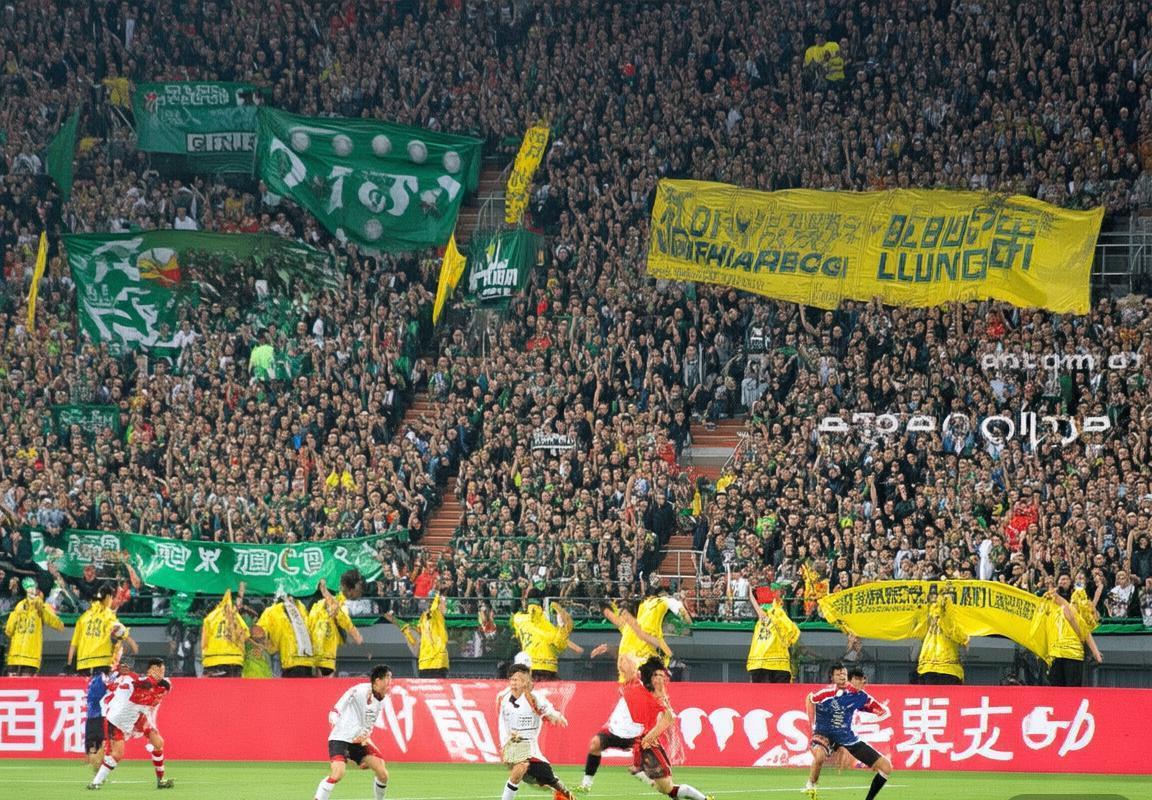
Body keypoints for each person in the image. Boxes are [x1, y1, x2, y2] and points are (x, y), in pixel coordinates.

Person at [621, 656, 713, 800]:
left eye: (662, 675)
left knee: (667, 788)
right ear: (650, 677)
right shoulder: (645, 692)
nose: (659, 678)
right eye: (656, 675)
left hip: (649, 744)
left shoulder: (659, 698)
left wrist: (649, 737)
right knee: (665, 788)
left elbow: (668, 718)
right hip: (645, 743)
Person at [805, 665, 893, 800]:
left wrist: (866, 715)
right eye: (838, 674)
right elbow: (810, 699)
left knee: (886, 768)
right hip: (824, 734)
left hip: (847, 738)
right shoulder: (827, 693)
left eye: (844, 674)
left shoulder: (862, 697)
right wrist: (811, 725)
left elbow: (884, 712)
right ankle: (811, 783)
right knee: (820, 757)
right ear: (832, 677)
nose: (842, 677)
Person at [88, 657, 175, 790]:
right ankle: (95, 782)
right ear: (151, 670)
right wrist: (127, 673)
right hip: (118, 720)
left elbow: (159, 697)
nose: (161, 673)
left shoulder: (164, 685)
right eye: (158, 670)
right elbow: (143, 683)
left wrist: (152, 725)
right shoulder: (134, 681)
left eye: (163, 670)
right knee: (117, 754)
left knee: (158, 743)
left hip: (139, 718)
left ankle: (161, 780)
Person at [314, 665, 393, 800]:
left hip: (358, 741)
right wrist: (335, 717)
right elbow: (338, 707)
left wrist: (365, 738)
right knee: (338, 774)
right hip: (341, 738)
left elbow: (369, 722)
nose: (390, 682)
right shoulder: (359, 690)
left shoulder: (382, 700)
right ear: (377, 681)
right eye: (388, 678)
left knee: (383, 773)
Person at [497, 663, 575, 800]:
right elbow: (501, 723)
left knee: (548, 779)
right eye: (512, 679)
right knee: (520, 768)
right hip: (513, 744)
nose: (513, 683)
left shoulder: (533, 697)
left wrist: (556, 716)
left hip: (530, 746)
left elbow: (547, 710)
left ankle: (567, 795)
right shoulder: (503, 698)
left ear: (525, 682)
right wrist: (505, 743)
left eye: (517, 680)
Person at [68, 586, 137, 676]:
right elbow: (119, 631)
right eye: (117, 598)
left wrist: (69, 664)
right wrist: (125, 636)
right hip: (102, 662)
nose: (119, 601)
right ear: (109, 598)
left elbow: (74, 644)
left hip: (83, 663)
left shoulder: (83, 617)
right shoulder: (108, 615)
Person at [310, 571, 366, 677]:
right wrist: (358, 638)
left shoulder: (330, 601)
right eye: (359, 591)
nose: (360, 594)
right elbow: (346, 622)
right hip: (326, 648)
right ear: (351, 590)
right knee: (326, 678)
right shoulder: (338, 604)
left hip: (315, 647)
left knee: (318, 676)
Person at [511, 601, 584, 682]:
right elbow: (559, 643)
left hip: (528, 667)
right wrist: (562, 627)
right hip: (546, 668)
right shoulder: (545, 627)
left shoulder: (518, 619)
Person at [5, 576, 64, 675]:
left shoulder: (19, 607)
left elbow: (9, 630)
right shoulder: (39, 607)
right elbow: (58, 624)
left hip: (15, 655)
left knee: (12, 682)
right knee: (27, 683)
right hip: (30, 656)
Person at [1046, 586, 1103, 687]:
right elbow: (1087, 635)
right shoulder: (1062, 611)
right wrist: (1096, 654)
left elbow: (1086, 635)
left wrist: (1096, 653)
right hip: (1064, 654)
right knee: (1068, 689)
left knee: (1058, 689)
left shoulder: (1068, 611)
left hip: (1065, 654)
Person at [386, 592, 448, 677]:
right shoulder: (423, 619)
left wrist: (439, 598)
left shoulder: (436, 616)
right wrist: (394, 620)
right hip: (428, 663)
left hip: (435, 663)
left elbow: (437, 607)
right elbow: (408, 627)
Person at [256, 590, 315, 677]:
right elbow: (259, 631)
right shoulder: (274, 611)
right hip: (297, 661)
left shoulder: (300, 608)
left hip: (298, 662)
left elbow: (258, 632)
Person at [916, 595, 969, 685]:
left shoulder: (928, 613)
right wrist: (965, 639)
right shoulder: (951, 614)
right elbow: (954, 632)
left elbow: (919, 633)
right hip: (948, 666)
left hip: (927, 666)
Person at [200, 587, 249, 678]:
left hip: (212, 661)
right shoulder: (236, 616)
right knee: (232, 687)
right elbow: (245, 635)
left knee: (212, 688)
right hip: (234, 660)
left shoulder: (210, 617)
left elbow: (203, 643)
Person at [747, 600, 800, 683]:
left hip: (759, 663)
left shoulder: (760, 623)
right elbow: (793, 634)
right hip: (779, 664)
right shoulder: (780, 618)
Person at [84, 665, 113, 773]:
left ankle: (95, 773)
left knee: (92, 746)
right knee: (102, 745)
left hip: (90, 718)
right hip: (101, 717)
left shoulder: (92, 681)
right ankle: (99, 775)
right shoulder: (105, 679)